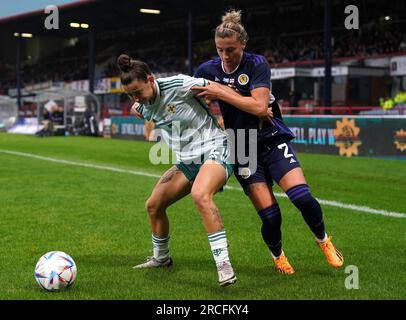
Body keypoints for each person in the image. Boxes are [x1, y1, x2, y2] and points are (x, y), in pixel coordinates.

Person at [193, 10, 344, 275]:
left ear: (243, 44)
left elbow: (261, 106)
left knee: (302, 198)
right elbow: (189, 96)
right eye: (220, 50)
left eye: (231, 49)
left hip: (271, 138)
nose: (225, 56)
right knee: (271, 216)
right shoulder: (207, 70)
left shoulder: (257, 64)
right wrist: (146, 102)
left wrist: (220, 92)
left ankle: (324, 241)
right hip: (241, 145)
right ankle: (278, 256)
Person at [117, 54, 237, 287]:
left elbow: (219, 89)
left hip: (216, 147)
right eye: (130, 95)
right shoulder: (142, 105)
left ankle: (224, 265)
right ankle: (161, 258)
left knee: (201, 195)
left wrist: (255, 107)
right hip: (188, 161)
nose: (135, 98)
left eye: (138, 92)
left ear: (151, 80)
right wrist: (137, 102)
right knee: (153, 205)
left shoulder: (180, 84)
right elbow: (140, 108)